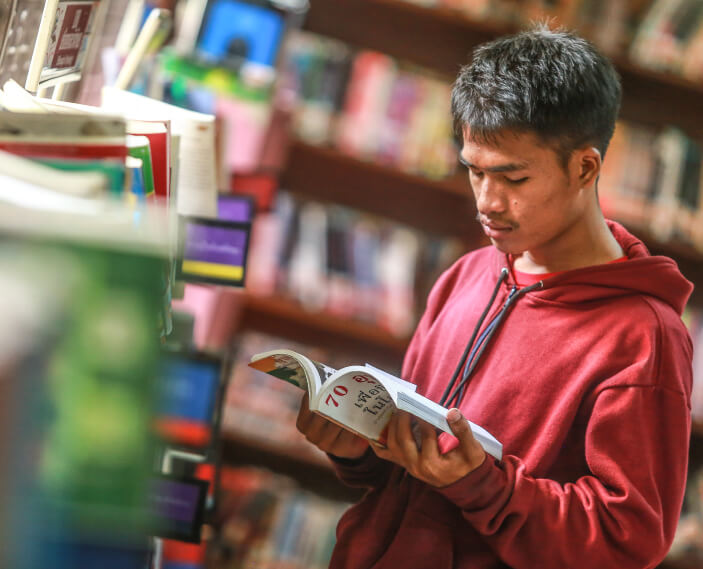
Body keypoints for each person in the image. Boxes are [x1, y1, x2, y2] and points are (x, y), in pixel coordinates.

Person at [296, 26, 694, 569]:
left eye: (513, 178)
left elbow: (627, 540)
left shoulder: (644, 337)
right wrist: (358, 451)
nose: (487, 201)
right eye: (475, 171)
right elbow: (414, 468)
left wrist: (485, 486)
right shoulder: (468, 274)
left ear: (584, 167)